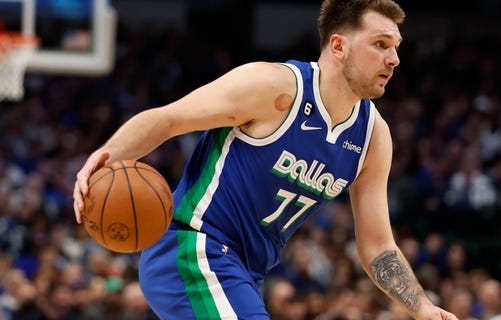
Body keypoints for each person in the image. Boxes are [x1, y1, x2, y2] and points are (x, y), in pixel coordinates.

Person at [72, 1, 460, 319]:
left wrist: (421, 307)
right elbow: (168, 119)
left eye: (396, 47)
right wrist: (102, 158)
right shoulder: (273, 88)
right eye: (380, 44)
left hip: (245, 273)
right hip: (193, 251)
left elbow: (377, 244)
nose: (394, 59)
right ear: (339, 46)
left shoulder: (374, 137)